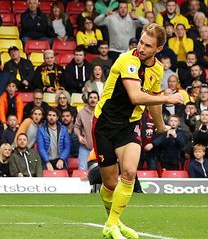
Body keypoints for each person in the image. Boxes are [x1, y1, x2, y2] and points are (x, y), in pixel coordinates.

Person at [93, 23, 183, 239]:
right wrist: (167, 97)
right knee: (110, 183)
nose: (141, 47)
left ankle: (111, 224)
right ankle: (114, 222)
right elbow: (136, 96)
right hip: (105, 124)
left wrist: (160, 125)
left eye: (148, 45)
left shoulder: (158, 68)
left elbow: (152, 102)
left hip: (130, 125)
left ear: (158, 49)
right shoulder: (127, 60)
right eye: (141, 42)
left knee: (130, 173)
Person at [75, 91, 99, 170]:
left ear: (98, 100)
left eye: (95, 98)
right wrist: (79, 136)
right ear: (88, 100)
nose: (93, 100)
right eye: (91, 97)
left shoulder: (102, 113)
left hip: (99, 147)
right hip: (85, 146)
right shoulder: (81, 113)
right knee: (82, 170)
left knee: (99, 170)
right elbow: (76, 127)